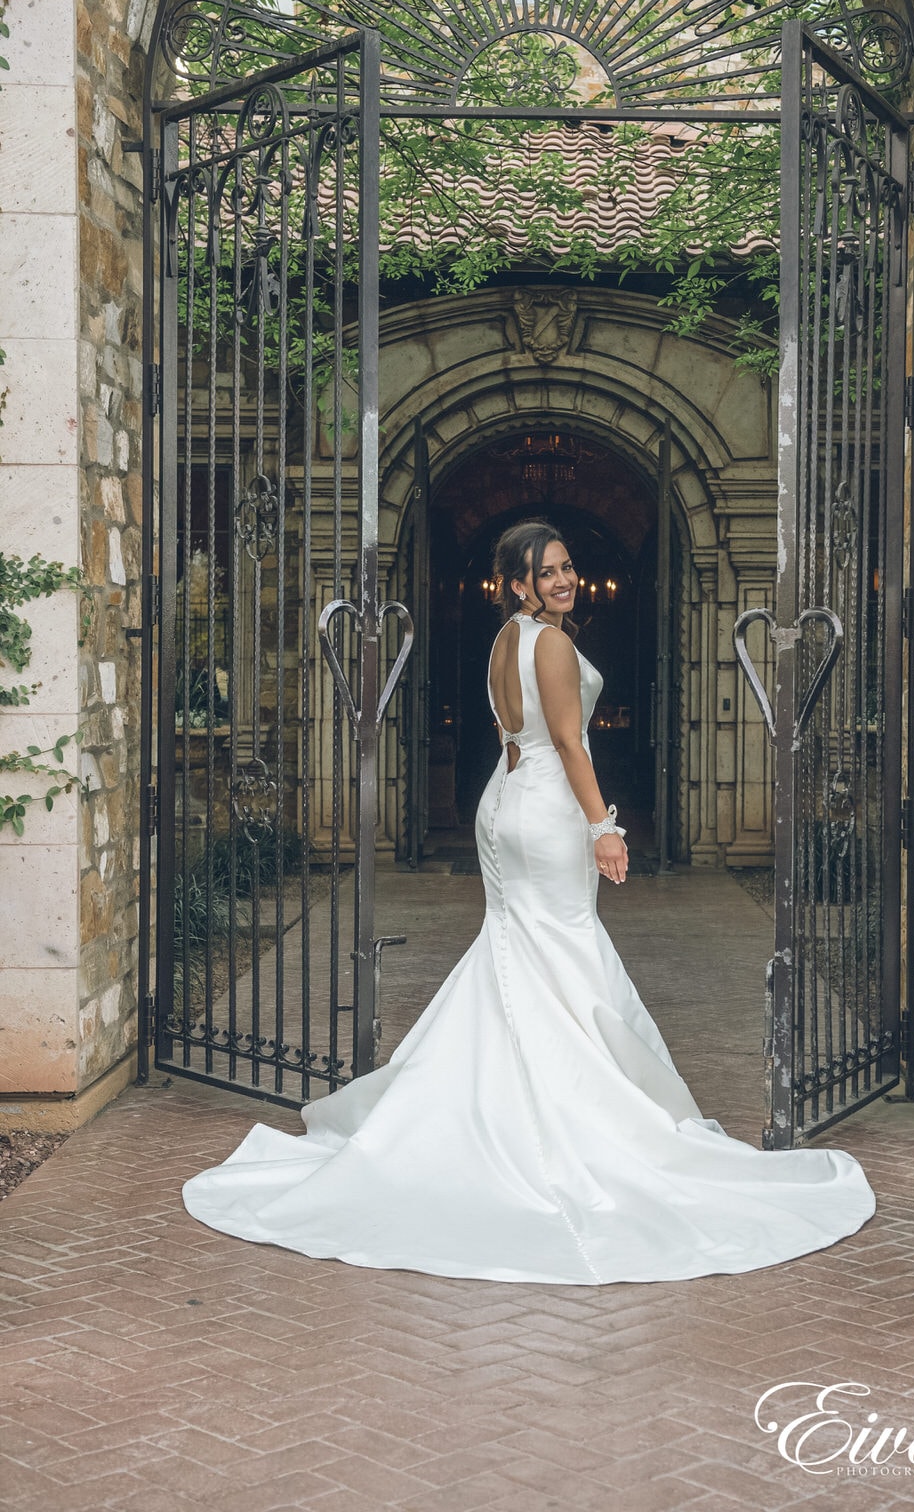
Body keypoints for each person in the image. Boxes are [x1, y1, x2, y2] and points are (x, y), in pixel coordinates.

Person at [182, 519, 876, 1282]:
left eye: (568, 567)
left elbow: (522, 731)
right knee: (563, 950)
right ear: (517, 583)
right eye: (546, 573)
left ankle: (481, 1106)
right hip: (546, 808)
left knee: (521, 950)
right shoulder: (548, 643)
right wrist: (604, 826)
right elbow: (572, 743)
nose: (563, 580)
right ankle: (563, 1120)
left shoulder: (506, 639)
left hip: (507, 799)